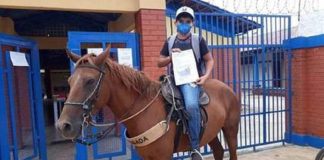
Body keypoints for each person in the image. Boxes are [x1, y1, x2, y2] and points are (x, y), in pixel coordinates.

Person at [157, 6, 214, 160]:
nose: (184, 23)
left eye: (187, 21)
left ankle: (194, 148)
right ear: (175, 22)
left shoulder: (198, 40)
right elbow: (159, 62)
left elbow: (209, 60)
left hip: (191, 81)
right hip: (173, 80)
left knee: (191, 105)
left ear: (192, 23)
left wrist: (206, 76)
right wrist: (170, 57)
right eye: (181, 21)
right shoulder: (170, 41)